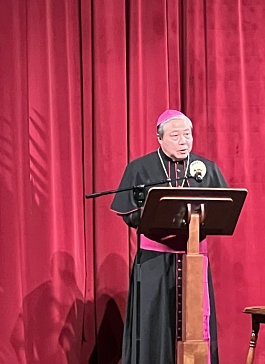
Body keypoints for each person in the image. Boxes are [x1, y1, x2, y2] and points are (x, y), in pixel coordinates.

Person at [111, 109, 228, 364]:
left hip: (193, 259)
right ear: (159, 138)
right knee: (153, 324)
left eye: (187, 134)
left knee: (196, 325)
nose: (184, 140)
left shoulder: (206, 169)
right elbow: (128, 213)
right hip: (154, 261)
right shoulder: (140, 168)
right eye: (175, 135)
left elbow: (224, 207)